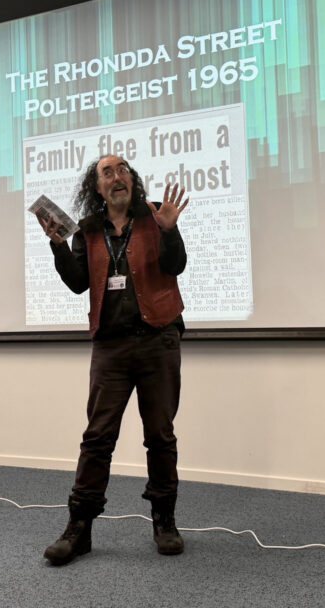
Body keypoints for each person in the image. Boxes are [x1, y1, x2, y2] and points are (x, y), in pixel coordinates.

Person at [36, 154, 189, 566]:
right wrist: (58, 245)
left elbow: (175, 265)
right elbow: (77, 283)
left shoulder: (155, 217)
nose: (117, 177)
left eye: (123, 170)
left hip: (158, 340)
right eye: (107, 173)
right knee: (97, 438)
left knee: (160, 435)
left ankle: (164, 520)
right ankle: (79, 528)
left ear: (131, 181)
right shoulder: (87, 230)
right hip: (111, 347)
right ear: (97, 187)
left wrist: (170, 231)